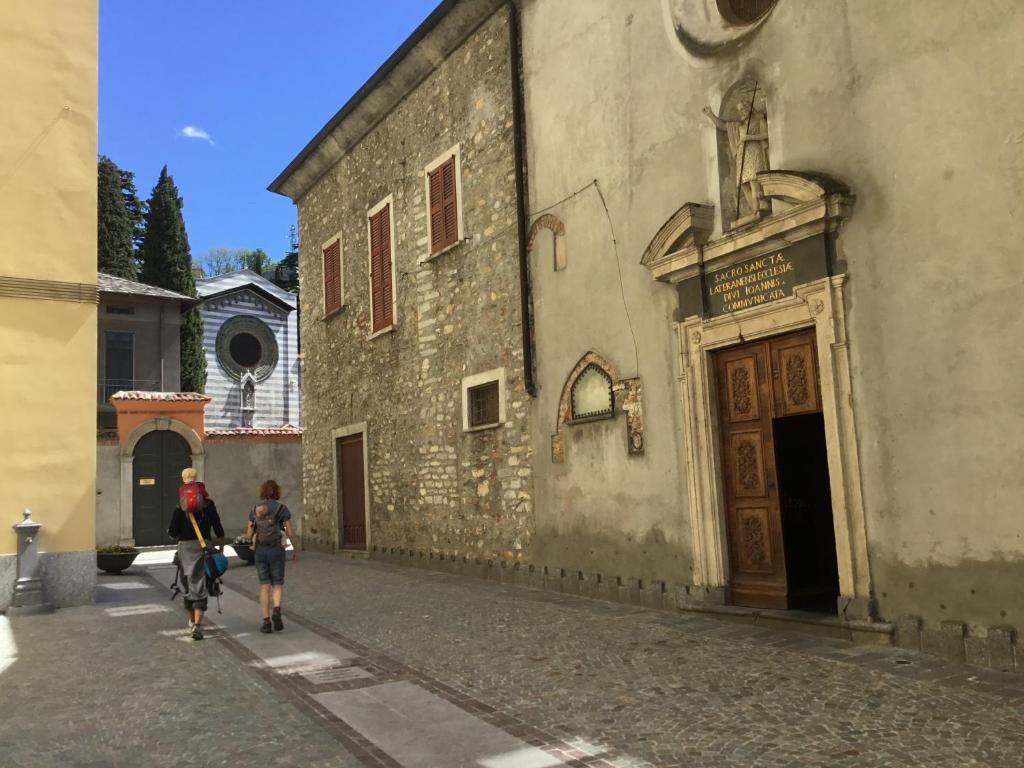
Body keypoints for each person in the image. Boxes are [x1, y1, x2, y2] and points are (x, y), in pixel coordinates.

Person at [168, 469, 225, 641]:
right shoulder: (208, 504)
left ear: (183, 480)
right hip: (203, 546)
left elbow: (173, 532)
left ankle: (193, 621)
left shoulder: (180, 506)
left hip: (185, 548)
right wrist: (220, 545)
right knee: (201, 582)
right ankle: (198, 625)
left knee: (187, 583)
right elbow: (218, 527)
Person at [246, 479, 299, 634]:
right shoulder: (282, 509)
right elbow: (290, 532)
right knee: (277, 583)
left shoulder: (254, 509)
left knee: (264, 585)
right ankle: (276, 609)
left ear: (262, 492)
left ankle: (266, 621)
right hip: (276, 550)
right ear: (277, 492)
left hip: (260, 550)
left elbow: (249, 533)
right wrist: (296, 549)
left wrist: (251, 539)